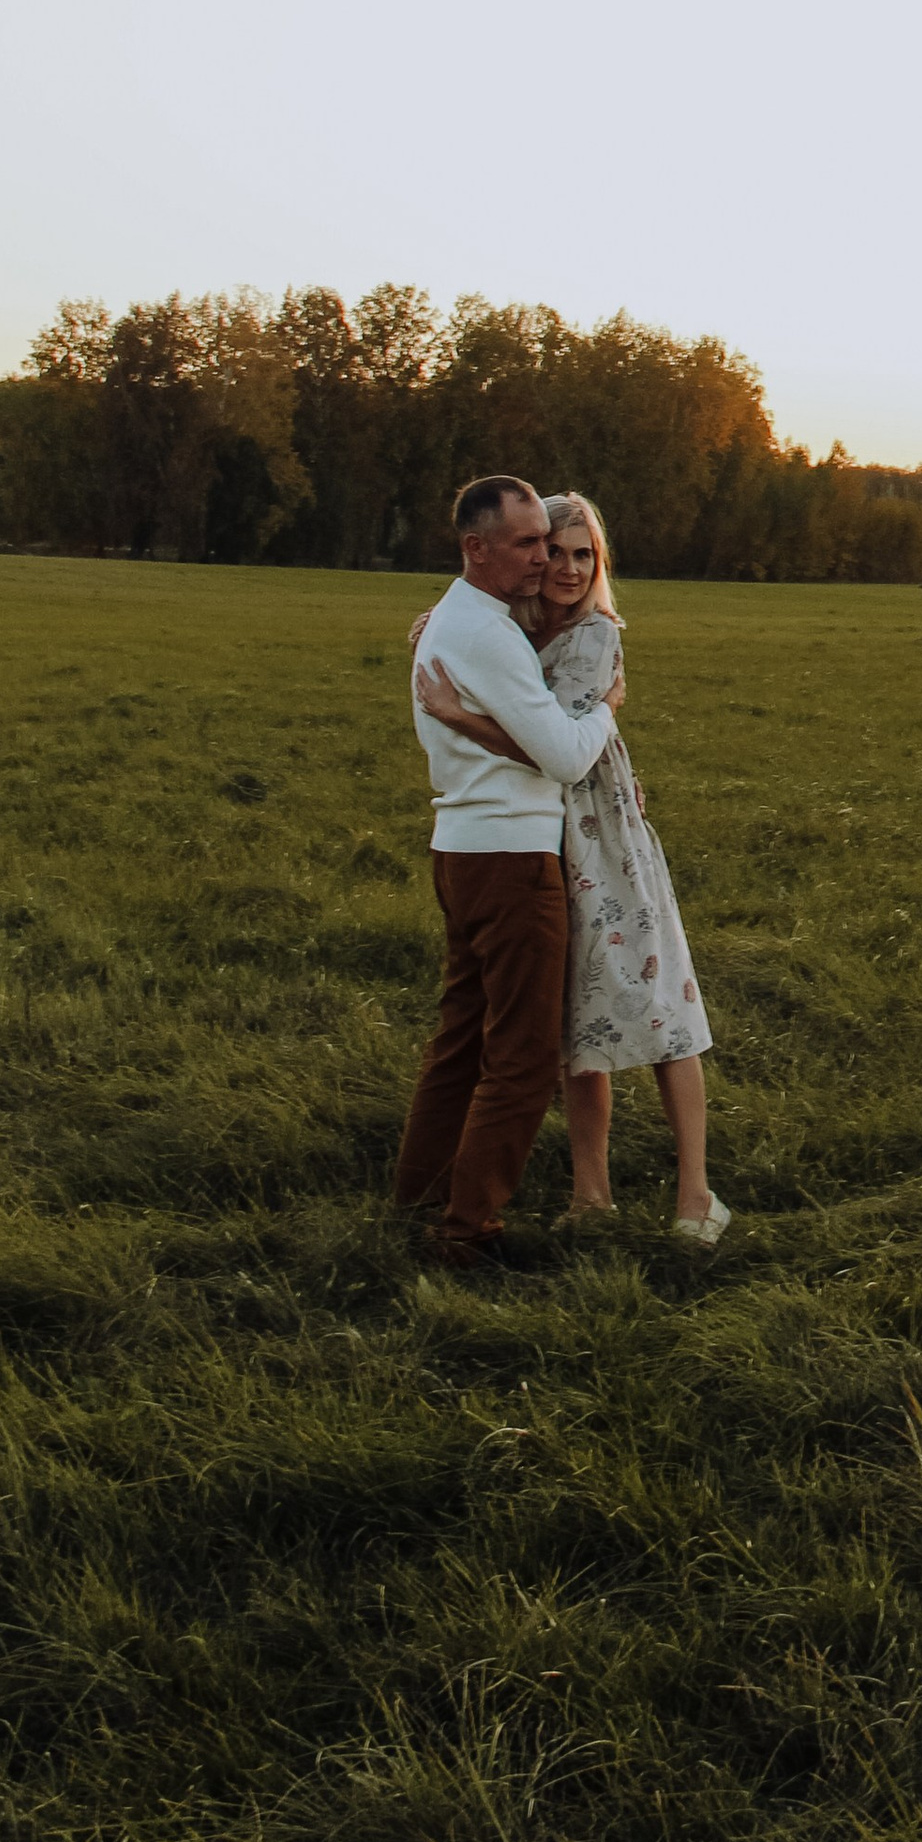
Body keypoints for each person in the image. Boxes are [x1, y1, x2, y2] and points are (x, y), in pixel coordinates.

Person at [415, 488, 730, 1244]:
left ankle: (696, 1196)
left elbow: (561, 754)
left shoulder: (593, 639)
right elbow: (543, 722)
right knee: (577, 1020)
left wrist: (462, 719)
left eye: (583, 554)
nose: (564, 566)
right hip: (553, 837)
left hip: (604, 834)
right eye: (552, 550)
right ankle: (592, 1193)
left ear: (600, 565)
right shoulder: (518, 628)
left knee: (660, 1004)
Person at [393, 474, 620, 1270]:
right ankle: (468, 1231)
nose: (540, 557)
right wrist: (603, 709)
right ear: (475, 547)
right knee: (520, 1057)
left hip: (461, 850)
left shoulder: (460, 618)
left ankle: (417, 1195)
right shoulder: (487, 634)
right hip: (511, 856)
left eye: (547, 542)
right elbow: (561, 756)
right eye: (526, 543)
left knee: (460, 1039)